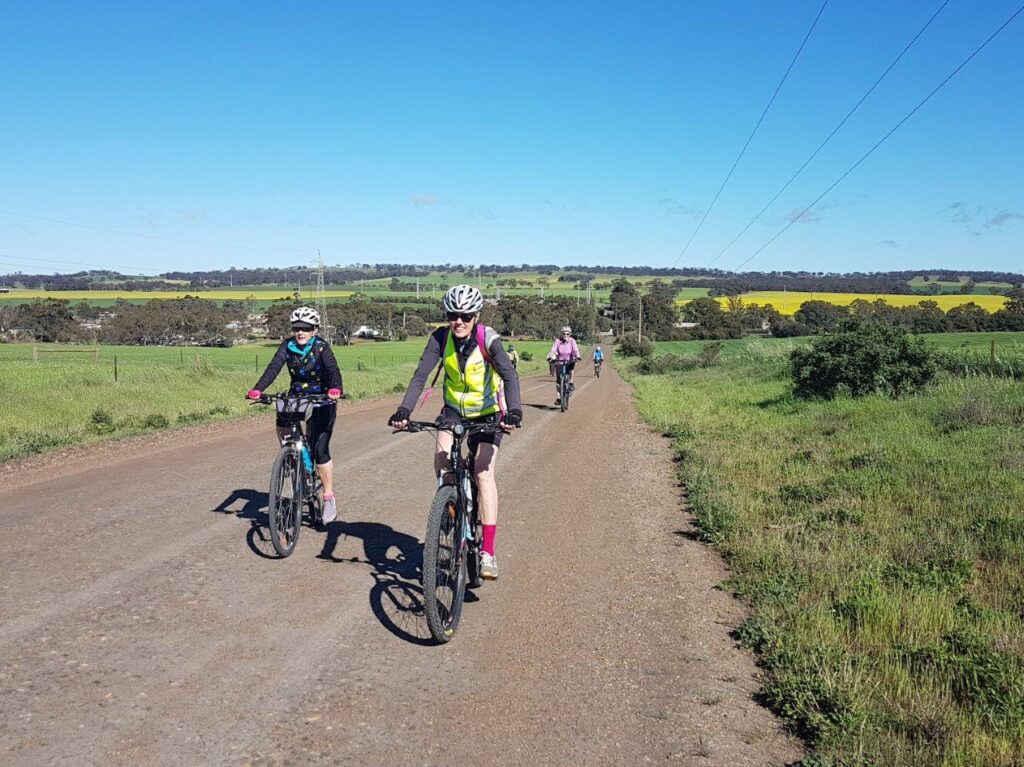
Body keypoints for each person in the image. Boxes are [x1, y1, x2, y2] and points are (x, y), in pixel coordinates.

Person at [388, 285, 522, 580]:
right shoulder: (440, 338)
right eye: (452, 315)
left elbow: (510, 377)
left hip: (488, 414)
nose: (458, 321)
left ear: (476, 316)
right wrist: (404, 411)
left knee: (482, 472)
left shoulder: (489, 340)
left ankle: (488, 551)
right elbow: (420, 376)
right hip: (454, 411)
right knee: (441, 457)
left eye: (464, 315)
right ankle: (448, 504)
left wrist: (514, 412)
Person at [247, 307, 343, 523]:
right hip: (297, 396)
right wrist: (258, 389)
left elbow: (334, 371)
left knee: (320, 449)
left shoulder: (322, 347)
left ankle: (328, 497)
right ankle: (293, 456)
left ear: (315, 330)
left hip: (322, 398)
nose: (300, 332)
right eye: (297, 328)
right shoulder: (287, 346)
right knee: (283, 424)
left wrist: (335, 388)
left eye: (306, 328)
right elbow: (273, 368)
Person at [547, 325, 581, 406]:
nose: (566, 335)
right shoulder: (558, 341)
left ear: (570, 334)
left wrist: (578, 356)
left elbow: (575, 349)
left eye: (567, 334)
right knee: (558, 381)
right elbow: (553, 349)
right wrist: (550, 357)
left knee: (572, 366)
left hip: (569, 360)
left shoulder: (572, 341)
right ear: (561, 334)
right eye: (564, 334)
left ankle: (571, 382)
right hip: (560, 361)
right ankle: (559, 398)